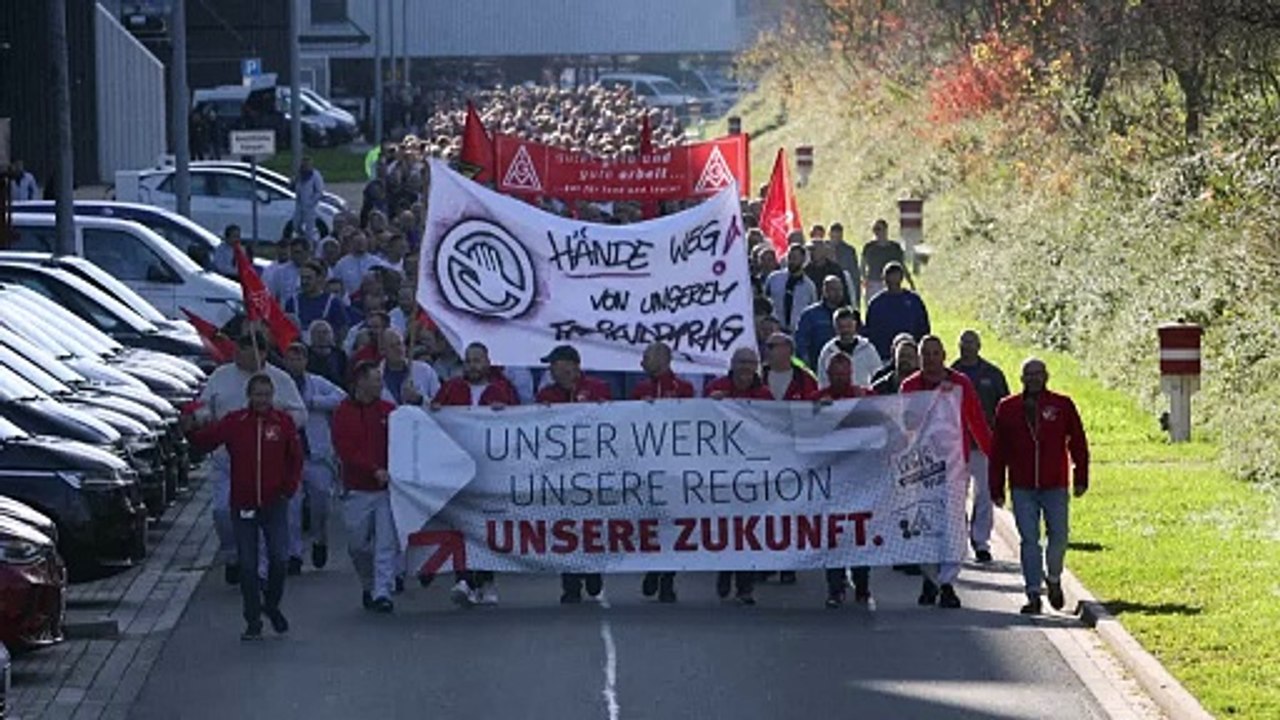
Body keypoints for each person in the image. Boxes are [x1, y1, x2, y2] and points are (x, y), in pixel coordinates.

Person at [186, 374, 302, 640]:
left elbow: (294, 459)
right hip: (244, 503)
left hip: (274, 502)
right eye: (258, 394)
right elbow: (207, 441)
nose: (262, 400)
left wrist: (288, 488)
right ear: (249, 396)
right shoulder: (235, 422)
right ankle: (252, 619)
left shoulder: (282, 423)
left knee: (279, 558)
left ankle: (271, 604)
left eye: (266, 395)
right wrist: (191, 430)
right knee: (248, 564)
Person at [196, 331, 307, 585]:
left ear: (262, 353)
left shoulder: (280, 379)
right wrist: (200, 419)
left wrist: (275, 417)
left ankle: (262, 570)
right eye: (238, 350)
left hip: (267, 463)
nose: (239, 356)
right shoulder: (221, 376)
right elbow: (204, 407)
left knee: (267, 519)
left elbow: (300, 414)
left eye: (247, 351)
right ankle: (233, 554)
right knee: (222, 512)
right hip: (228, 461)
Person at [989, 358, 1089, 615]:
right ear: (1022, 378)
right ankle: (1033, 593)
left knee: (1059, 536)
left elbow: (1078, 441)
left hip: (1054, 483)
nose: (1033, 378)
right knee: (1029, 540)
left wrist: (1081, 476)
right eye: (1029, 374)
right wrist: (996, 486)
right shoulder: (1008, 408)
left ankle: (1053, 577)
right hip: (1022, 485)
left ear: (1046, 376)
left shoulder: (1062, 405)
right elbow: (998, 450)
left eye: (1038, 373)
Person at [900, 336, 993, 609]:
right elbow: (903, 425)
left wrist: (993, 455)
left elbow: (976, 420)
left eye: (934, 353)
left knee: (952, 527)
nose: (930, 359)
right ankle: (931, 579)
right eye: (925, 354)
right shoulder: (910, 386)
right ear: (919, 358)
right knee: (926, 527)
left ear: (943, 355)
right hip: (922, 469)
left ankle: (948, 582)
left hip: (954, 468)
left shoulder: (961, 383)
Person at [431, 342, 520, 606]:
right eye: (468, 360)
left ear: (488, 362)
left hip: (491, 470)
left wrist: (506, 413)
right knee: (461, 525)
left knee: (487, 527)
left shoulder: (502, 389)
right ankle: (464, 579)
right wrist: (429, 406)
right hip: (457, 468)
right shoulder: (451, 388)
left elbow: (521, 420)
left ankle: (486, 579)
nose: (472, 365)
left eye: (477, 360)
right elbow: (435, 414)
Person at [535, 345, 611, 604]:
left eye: (554, 364)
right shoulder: (546, 394)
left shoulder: (598, 388)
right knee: (564, 526)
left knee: (591, 524)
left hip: (592, 469)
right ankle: (570, 581)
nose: (551, 370)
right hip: (560, 470)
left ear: (570, 365)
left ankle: (593, 572)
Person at [703, 347, 772, 605]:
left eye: (750, 362)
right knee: (726, 526)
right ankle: (725, 571)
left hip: (752, 471)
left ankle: (745, 586)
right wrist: (710, 405)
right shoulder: (716, 388)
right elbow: (697, 420)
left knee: (749, 530)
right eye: (741, 362)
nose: (745, 367)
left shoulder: (764, 395)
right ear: (732, 364)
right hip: (722, 469)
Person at [331, 361, 399, 613]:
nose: (380, 384)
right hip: (358, 488)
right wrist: (372, 469)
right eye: (376, 379)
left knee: (385, 543)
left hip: (387, 489)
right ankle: (369, 583)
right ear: (361, 381)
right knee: (357, 545)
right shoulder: (344, 412)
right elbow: (346, 448)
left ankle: (383, 591)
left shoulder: (389, 411)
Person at [631, 341, 694, 604]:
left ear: (662, 359)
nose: (642, 362)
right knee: (650, 522)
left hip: (674, 467)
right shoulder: (640, 389)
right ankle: (653, 567)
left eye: (646, 357)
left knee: (673, 523)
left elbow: (691, 420)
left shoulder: (684, 389)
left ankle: (667, 577)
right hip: (647, 466)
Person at [815, 353, 873, 608]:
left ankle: (862, 586)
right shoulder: (818, 400)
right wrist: (817, 413)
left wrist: (865, 406)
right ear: (828, 375)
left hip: (860, 479)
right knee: (833, 536)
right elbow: (802, 434)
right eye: (836, 375)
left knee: (860, 534)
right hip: (832, 480)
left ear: (851, 374)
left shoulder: (865, 397)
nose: (840, 379)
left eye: (844, 375)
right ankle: (835, 588)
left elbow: (887, 424)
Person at [283, 342, 346, 572]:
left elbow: (342, 397)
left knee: (321, 502)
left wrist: (313, 402)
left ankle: (320, 537)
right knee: (291, 508)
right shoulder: (279, 384)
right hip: (288, 456)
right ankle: (294, 553)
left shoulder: (317, 383)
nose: (295, 363)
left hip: (315, 454)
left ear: (306, 361)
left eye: (299, 358)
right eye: (291, 358)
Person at [951, 330, 1010, 563]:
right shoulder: (951, 375)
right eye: (963, 343)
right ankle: (960, 537)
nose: (967, 347)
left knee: (984, 494)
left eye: (971, 343)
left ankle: (981, 541)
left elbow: (1004, 406)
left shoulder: (993, 375)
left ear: (979, 346)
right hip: (957, 446)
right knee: (957, 495)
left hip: (985, 445)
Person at [863, 262, 931, 361]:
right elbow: (870, 331)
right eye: (889, 276)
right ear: (884, 278)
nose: (893, 279)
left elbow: (923, 327)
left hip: (911, 356)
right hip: (884, 357)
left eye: (895, 275)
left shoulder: (913, 301)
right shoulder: (876, 304)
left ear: (901, 277)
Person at [816, 307, 881, 388]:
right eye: (841, 327)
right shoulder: (827, 352)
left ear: (855, 325)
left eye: (848, 326)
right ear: (835, 327)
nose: (845, 330)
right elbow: (822, 381)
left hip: (863, 394)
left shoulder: (868, 349)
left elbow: (877, 376)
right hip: (837, 395)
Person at [285, 260, 348, 340]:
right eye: (302, 278)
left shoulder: (333, 303)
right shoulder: (292, 302)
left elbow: (342, 331)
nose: (304, 282)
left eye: (308, 278)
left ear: (319, 278)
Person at [795, 277, 846, 370]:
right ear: (825, 291)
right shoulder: (810, 314)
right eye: (833, 289)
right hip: (817, 365)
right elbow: (801, 341)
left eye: (840, 289)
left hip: (843, 368)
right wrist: (806, 363)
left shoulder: (849, 314)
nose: (837, 293)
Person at [763, 245, 817, 333]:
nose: (791, 261)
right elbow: (765, 301)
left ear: (803, 260)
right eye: (789, 257)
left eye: (795, 258)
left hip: (797, 331)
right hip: (775, 329)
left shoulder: (809, 286)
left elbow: (812, 309)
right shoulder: (774, 279)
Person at [380, 329, 440, 406]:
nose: (398, 349)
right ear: (383, 350)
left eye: (400, 344)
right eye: (392, 346)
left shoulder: (425, 370)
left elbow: (439, 404)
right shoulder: (377, 377)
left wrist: (419, 399)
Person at [860, 219, 913, 302]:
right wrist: (864, 280)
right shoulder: (869, 247)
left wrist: (910, 282)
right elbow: (862, 265)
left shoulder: (895, 248)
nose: (876, 232)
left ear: (885, 230)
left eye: (879, 229)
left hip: (891, 283)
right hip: (873, 283)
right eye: (875, 229)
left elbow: (902, 265)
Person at [762, 332, 819, 402]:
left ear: (787, 348)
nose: (766, 350)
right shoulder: (758, 377)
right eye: (765, 346)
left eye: (771, 346)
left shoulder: (804, 379)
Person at [332, 232, 390, 296]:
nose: (360, 244)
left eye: (362, 241)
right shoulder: (341, 264)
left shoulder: (377, 262)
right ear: (351, 243)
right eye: (357, 242)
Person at [804, 241, 855, 308]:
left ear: (823, 251)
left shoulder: (835, 269)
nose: (811, 253)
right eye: (810, 250)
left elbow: (844, 292)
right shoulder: (806, 271)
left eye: (814, 249)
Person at [264, 237, 312, 303]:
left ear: (307, 252)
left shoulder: (316, 270)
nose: (294, 256)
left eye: (298, 252)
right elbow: (272, 295)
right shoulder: (280, 272)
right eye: (292, 252)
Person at [293, 156, 326, 242]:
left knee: (309, 227)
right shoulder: (299, 175)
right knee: (296, 225)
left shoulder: (315, 175)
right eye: (303, 164)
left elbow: (319, 191)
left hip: (310, 206)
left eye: (307, 165)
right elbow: (293, 186)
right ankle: (302, 238)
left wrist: (311, 202)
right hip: (299, 205)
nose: (305, 166)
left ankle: (310, 243)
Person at [306, 320, 348, 387]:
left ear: (331, 335)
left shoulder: (340, 355)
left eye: (325, 332)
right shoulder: (305, 354)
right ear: (311, 335)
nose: (321, 336)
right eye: (318, 333)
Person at [829, 223, 860, 296]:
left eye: (838, 236)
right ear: (830, 235)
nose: (836, 239)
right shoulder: (824, 248)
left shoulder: (849, 250)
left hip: (844, 284)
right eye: (834, 236)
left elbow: (854, 272)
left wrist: (856, 292)